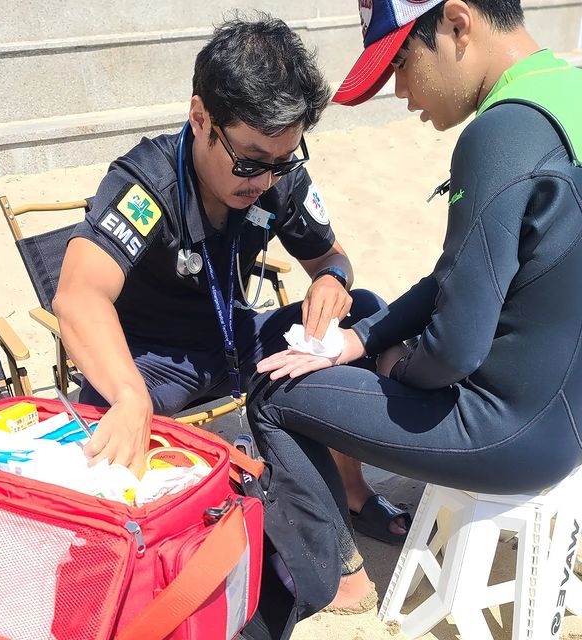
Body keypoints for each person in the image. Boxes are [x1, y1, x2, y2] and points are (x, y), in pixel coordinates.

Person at [247, 0, 582, 612]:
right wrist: (362, 338)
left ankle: (339, 576)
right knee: (361, 332)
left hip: (509, 436)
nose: (400, 92)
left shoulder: (502, 133)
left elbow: (454, 349)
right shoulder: (568, 93)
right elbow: (459, 273)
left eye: (401, 63)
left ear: (457, 23)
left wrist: (395, 365)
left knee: (273, 395)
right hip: (568, 420)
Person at [53, 14, 408, 543]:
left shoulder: (278, 177)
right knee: (101, 430)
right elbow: (78, 294)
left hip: (238, 344)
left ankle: (352, 490)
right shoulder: (147, 185)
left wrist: (331, 281)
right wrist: (129, 394)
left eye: (282, 162)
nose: (264, 180)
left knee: (365, 309)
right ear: (200, 118)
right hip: (152, 363)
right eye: (250, 161)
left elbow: (332, 258)